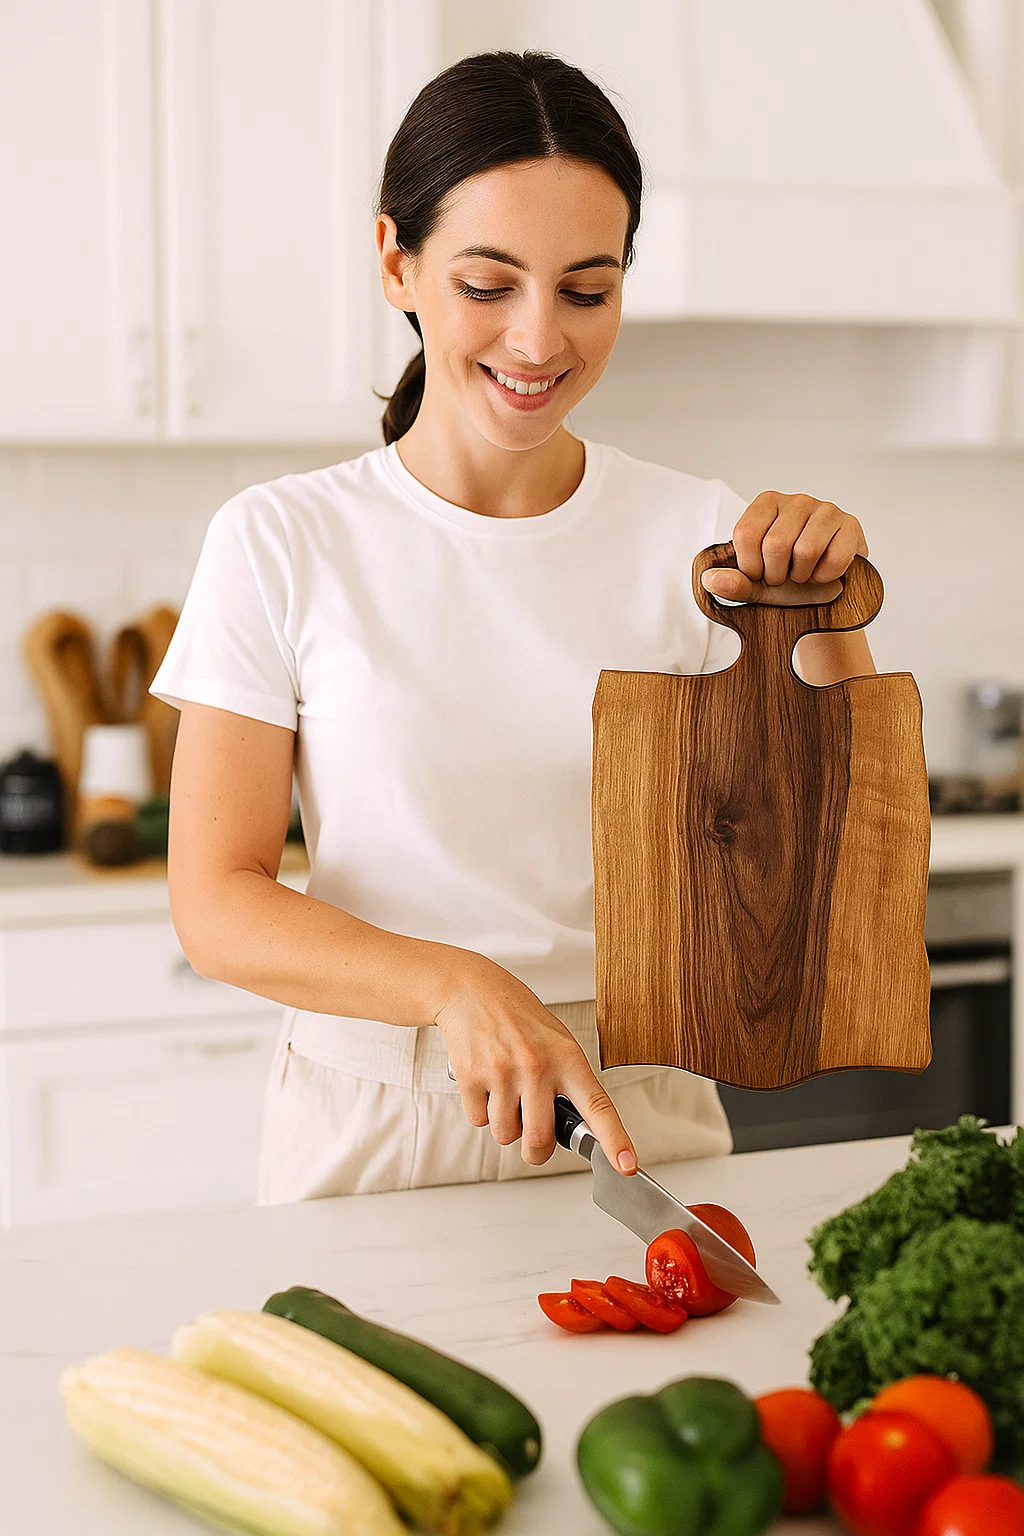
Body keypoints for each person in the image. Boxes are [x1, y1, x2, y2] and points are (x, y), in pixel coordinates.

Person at [151, 51, 874, 1204]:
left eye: (586, 291)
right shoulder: (282, 539)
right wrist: (450, 985)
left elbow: (829, 856)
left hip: (639, 1103)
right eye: (489, 285)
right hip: (380, 1118)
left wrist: (821, 602)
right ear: (397, 261)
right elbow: (218, 902)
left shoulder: (700, 536)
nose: (539, 340)